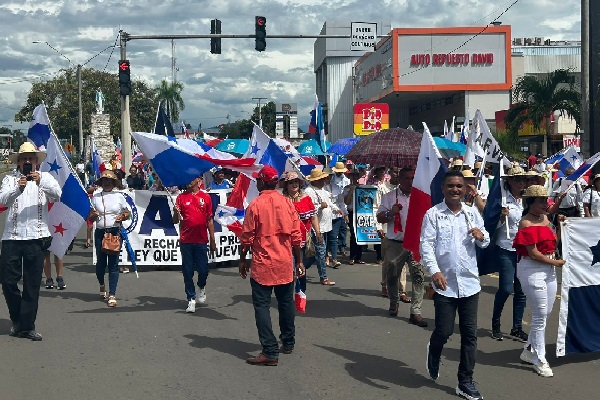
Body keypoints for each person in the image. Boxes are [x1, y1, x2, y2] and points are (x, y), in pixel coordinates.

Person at [422, 170, 490, 400]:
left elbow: (485, 241)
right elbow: (426, 246)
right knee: (444, 330)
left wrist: (482, 236)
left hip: (470, 283)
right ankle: (434, 348)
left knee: (470, 334)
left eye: (459, 186)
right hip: (445, 284)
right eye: (451, 186)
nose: (455, 190)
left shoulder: (472, 213)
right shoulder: (433, 215)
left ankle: (465, 381)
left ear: (466, 189)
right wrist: (435, 272)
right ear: (443, 189)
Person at [240, 166, 304, 366]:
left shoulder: (255, 205)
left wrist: (243, 260)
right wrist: (299, 261)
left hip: (263, 266)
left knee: (262, 306)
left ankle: (269, 350)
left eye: (258, 180)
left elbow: (247, 238)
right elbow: (296, 236)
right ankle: (288, 342)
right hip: (285, 263)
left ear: (261, 182)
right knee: (285, 304)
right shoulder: (286, 203)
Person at [0, 142, 61, 341]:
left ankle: (26, 326)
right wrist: (18, 189)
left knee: (32, 284)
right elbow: (2, 200)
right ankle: (17, 319)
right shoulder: (10, 179)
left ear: (36, 161)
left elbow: (57, 196)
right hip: (12, 237)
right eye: (24, 158)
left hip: (37, 237)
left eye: (31, 158)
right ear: (18, 162)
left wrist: (40, 180)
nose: (27, 161)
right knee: (8, 281)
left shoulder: (46, 178)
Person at [513, 185, 565, 377]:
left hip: (548, 268)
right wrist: (556, 262)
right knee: (540, 314)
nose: (546, 204)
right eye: (541, 201)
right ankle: (540, 359)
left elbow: (553, 242)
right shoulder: (525, 223)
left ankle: (528, 350)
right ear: (531, 203)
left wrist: (560, 225)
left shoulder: (546, 218)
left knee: (546, 312)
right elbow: (533, 253)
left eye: (546, 200)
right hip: (532, 269)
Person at [377, 167, 427, 327]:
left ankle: (416, 311)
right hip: (395, 243)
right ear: (399, 180)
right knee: (392, 275)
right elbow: (380, 217)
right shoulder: (389, 197)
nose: (410, 181)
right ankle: (394, 301)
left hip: (415, 243)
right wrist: (390, 213)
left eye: (413, 178)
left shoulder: (421, 197)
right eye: (407, 178)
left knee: (418, 277)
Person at [491, 167, 529, 341]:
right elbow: (491, 224)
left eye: (523, 180)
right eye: (517, 180)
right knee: (506, 288)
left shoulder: (528, 200)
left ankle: (517, 327)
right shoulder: (502, 198)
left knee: (521, 291)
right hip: (506, 247)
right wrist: (501, 217)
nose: (521, 183)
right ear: (510, 181)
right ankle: (495, 323)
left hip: (524, 249)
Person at [172, 175, 217, 313]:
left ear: (198, 180)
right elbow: (175, 220)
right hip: (186, 240)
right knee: (187, 271)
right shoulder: (181, 197)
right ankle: (191, 298)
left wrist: (213, 239)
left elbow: (209, 220)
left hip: (201, 240)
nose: (188, 181)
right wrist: (175, 212)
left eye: (190, 179)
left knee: (203, 270)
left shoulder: (206, 197)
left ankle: (201, 286)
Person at [87, 170, 130, 308]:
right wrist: (93, 215)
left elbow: (127, 213)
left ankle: (112, 294)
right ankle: (101, 284)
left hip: (114, 233)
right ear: (101, 182)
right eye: (105, 180)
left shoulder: (119, 196)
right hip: (100, 233)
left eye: (110, 181)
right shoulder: (96, 197)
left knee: (113, 264)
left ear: (113, 183)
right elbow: (90, 218)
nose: (107, 183)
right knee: (100, 264)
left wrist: (122, 216)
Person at [281, 171, 321, 293]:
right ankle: (287, 295)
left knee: (303, 264)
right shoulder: (282, 200)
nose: (294, 184)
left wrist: (318, 232)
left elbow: (313, 217)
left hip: (303, 238)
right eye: (291, 182)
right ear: (286, 185)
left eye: (296, 182)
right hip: (286, 239)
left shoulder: (306, 199)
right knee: (289, 267)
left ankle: (301, 293)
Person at [303, 168, 335, 285]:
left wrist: (338, 210)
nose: (323, 181)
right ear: (316, 180)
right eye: (321, 179)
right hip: (316, 227)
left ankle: (300, 268)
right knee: (321, 252)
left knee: (316, 253)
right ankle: (323, 277)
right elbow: (309, 210)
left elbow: (329, 202)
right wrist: (319, 206)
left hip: (325, 225)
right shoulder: (309, 191)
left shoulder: (322, 190)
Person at [343, 168, 364, 265]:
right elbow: (346, 201)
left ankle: (358, 257)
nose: (354, 177)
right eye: (353, 175)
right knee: (353, 234)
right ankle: (352, 256)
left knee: (360, 234)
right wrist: (351, 190)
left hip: (361, 213)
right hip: (352, 212)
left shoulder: (362, 187)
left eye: (356, 175)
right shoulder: (347, 188)